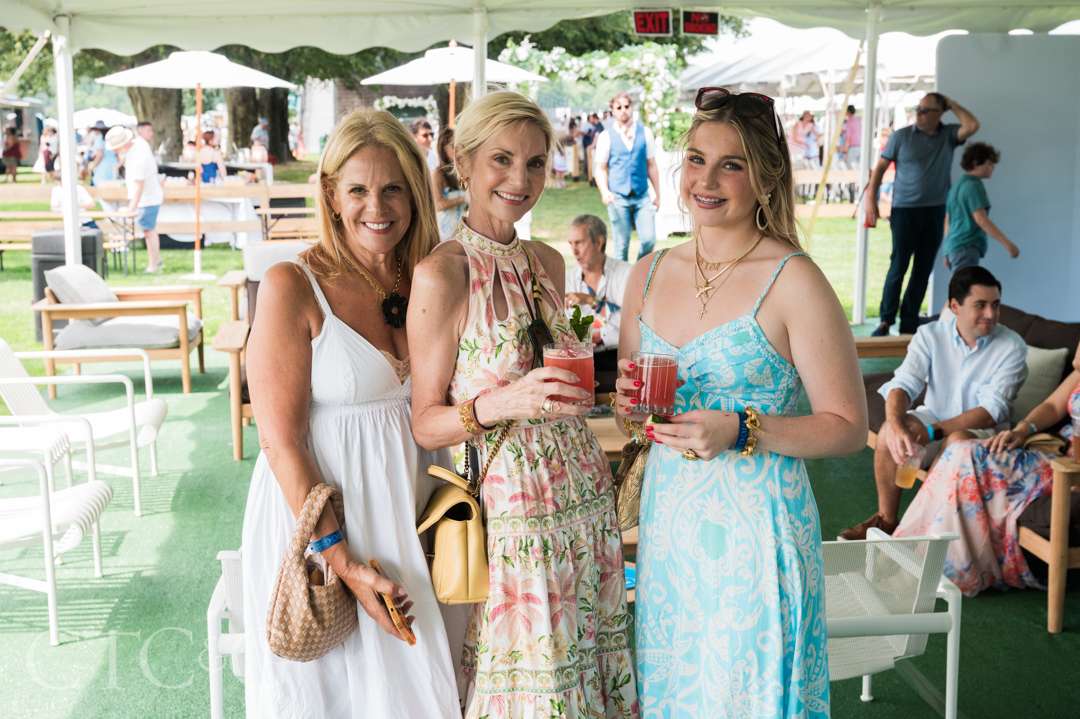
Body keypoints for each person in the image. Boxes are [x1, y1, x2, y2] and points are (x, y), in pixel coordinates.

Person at [614, 86, 867, 717]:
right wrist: (628, 405)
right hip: (669, 532)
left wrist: (742, 429)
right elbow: (633, 413)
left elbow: (847, 428)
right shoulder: (645, 273)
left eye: (731, 164)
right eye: (696, 159)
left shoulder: (795, 280)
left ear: (765, 177)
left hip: (759, 535)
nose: (707, 179)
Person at [408, 90, 638, 718]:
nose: (520, 179)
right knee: (538, 677)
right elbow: (425, 421)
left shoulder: (549, 263)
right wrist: (501, 401)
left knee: (589, 662)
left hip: (586, 494)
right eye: (502, 160)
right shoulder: (442, 274)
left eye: (535, 164)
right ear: (464, 160)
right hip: (517, 510)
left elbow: (559, 381)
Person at [240, 109, 461, 719]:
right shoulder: (293, 284)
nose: (377, 206)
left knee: (425, 682)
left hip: (418, 507)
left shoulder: (430, 278)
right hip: (330, 515)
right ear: (332, 194)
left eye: (393, 188)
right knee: (343, 695)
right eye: (359, 189)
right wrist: (339, 559)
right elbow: (281, 442)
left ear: (415, 194)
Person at [841, 266, 1028, 540]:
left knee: (957, 442)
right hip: (935, 417)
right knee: (887, 434)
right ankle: (887, 520)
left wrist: (931, 433)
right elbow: (903, 383)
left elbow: (990, 412)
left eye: (995, 305)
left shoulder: (1012, 347)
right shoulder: (930, 335)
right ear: (955, 306)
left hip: (986, 434)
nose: (991, 314)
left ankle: (921, 532)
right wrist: (895, 424)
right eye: (981, 305)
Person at [896, 345, 1080, 596]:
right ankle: (916, 550)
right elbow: (1052, 407)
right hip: (1054, 452)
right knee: (963, 450)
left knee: (971, 457)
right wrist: (1021, 430)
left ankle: (952, 570)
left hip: (1069, 468)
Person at [867, 92, 980, 336]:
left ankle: (908, 321)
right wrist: (870, 199)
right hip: (904, 211)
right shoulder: (901, 136)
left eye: (926, 110)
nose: (919, 113)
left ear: (940, 113)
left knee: (922, 269)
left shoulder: (948, 135)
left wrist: (952, 103)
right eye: (918, 109)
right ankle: (886, 320)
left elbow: (972, 125)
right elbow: (880, 168)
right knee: (898, 265)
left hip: (935, 211)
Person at [564, 214, 630, 391]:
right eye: (570, 244)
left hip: (617, 356)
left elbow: (631, 321)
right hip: (580, 358)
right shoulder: (569, 278)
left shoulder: (625, 274)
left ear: (599, 242)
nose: (574, 251)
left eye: (579, 243)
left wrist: (591, 301)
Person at [593, 91, 661, 262]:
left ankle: (638, 269)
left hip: (642, 196)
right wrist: (604, 192)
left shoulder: (645, 132)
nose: (623, 110)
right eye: (619, 107)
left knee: (648, 239)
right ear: (613, 111)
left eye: (626, 106)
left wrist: (658, 194)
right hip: (618, 197)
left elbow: (651, 165)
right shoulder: (606, 136)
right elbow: (600, 168)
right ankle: (621, 284)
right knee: (621, 246)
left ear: (632, 108)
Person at [942, 142, 1018, 271]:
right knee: (966, 288)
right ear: (976, 163)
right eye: (989, 163)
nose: (992, 167)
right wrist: (1008, 244)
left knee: (961, 285)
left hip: (954, 248)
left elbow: (947, 221)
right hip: (967, 246)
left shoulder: (955, 187)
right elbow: (981, 220)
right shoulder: (973, 186)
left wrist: (946, 250)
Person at [106, 125, 164, 273]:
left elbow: (139, 185)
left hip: (147, 199)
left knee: (148, 232)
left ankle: (153, 265)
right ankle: (156, 261)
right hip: (149, 196)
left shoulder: (138, 157)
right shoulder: (139, 145)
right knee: (149, 231)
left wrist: (132, 208)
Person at [431, 127, 465, 241]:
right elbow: (438, 205)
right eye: (453, 145)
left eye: (460, 144)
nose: (458, 149)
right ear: (443, 149)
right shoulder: (438, 173)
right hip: (445, 234)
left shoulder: (464, 171)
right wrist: (464, 198)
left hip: (464, 232)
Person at [87, 122, 118, 186]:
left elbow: (100, 155)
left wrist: (92, 166)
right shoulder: (110, 138)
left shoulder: (100, 138)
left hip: (104, 166)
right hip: (113, 164)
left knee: (101, 186)